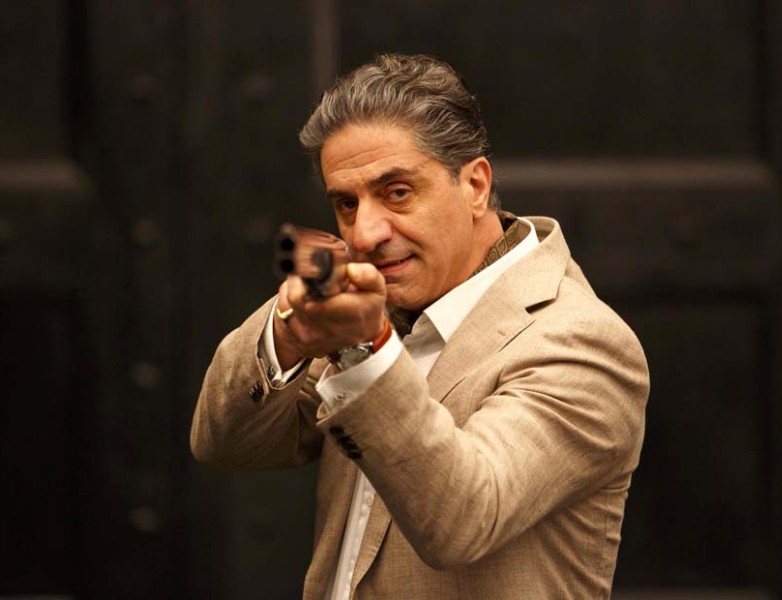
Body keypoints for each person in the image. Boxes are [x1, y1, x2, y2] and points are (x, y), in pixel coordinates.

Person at [191, 53, 649, 599]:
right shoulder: (382, 305)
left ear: (475, 184)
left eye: (397, 192)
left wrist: (366, 349)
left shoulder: (583, 342)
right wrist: (289, 334)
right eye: (346, 203)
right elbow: (225, 443)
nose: (365, 233)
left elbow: (465, 518)